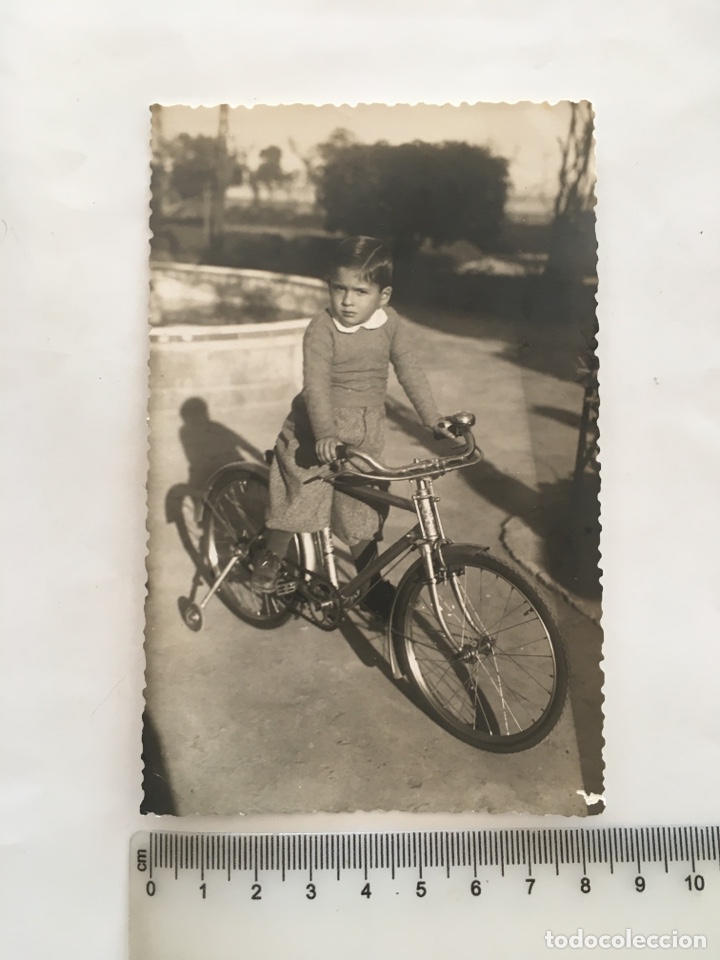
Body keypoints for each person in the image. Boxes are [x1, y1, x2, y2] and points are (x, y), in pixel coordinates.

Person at [251, 236, 453, 619]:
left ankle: (371, 586)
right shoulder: (321, 329)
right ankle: (271, 555)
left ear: (383, 295)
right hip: (316, 426)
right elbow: (316, 385)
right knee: (301, 490)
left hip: (366, 429)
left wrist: (432, 419)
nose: (347, 301)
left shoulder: (391, 325)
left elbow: (409, 369)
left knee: (361, 508)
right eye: (338, 288)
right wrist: (325, 432)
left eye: (360, 291)